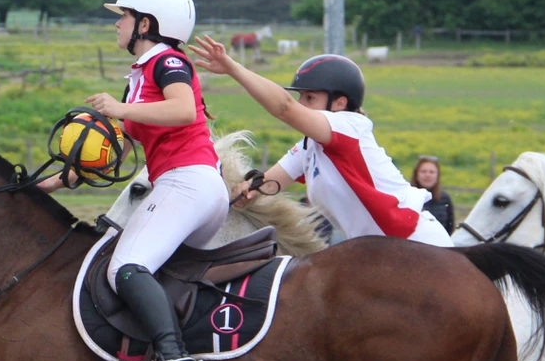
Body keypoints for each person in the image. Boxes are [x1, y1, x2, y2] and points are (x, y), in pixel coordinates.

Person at [40, 0, 229, 361]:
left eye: (123, 16)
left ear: (146, 24)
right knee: (152, 273)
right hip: (195, 189)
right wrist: (50, 184)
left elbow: (184, 109)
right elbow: (114, 156)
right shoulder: (140, 78)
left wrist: (120, 108)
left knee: (125, 266)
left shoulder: (168, 61)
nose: (117, 24)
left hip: (187, 184)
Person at [189, 39, 452, 249]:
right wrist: (247, 190)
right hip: (382, 254)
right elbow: (267, 184)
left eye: (310, 98)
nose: (301, 104)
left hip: (417, 243)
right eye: (301, 97)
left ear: (340, 103)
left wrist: (233, 68)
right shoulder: (309, 146)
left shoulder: (348, 125)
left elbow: (284, 108)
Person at [411, 155, 455, 234]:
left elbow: (450, 228)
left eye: (431, 172)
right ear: (416, 175)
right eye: (423, 171)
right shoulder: (408, 197)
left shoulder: (445, 199)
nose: (427, 175)